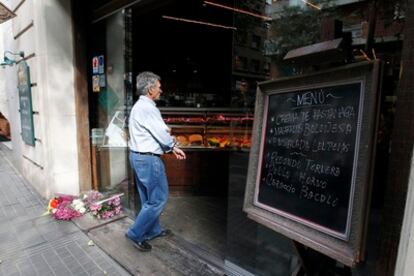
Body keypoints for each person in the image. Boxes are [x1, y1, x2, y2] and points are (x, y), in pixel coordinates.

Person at [126, 71, 186, 252]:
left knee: (148, 199)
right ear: (151, 89)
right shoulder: (148, 108)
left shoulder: (139, 106)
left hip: (138, 156)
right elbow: (162, 134)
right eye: (159, 87)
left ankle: (152, 230)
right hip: (149, 159)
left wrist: (169, 143)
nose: (161, 90)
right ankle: (135, 234)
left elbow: (157, 131)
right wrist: (173, 145)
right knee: (158, 199)